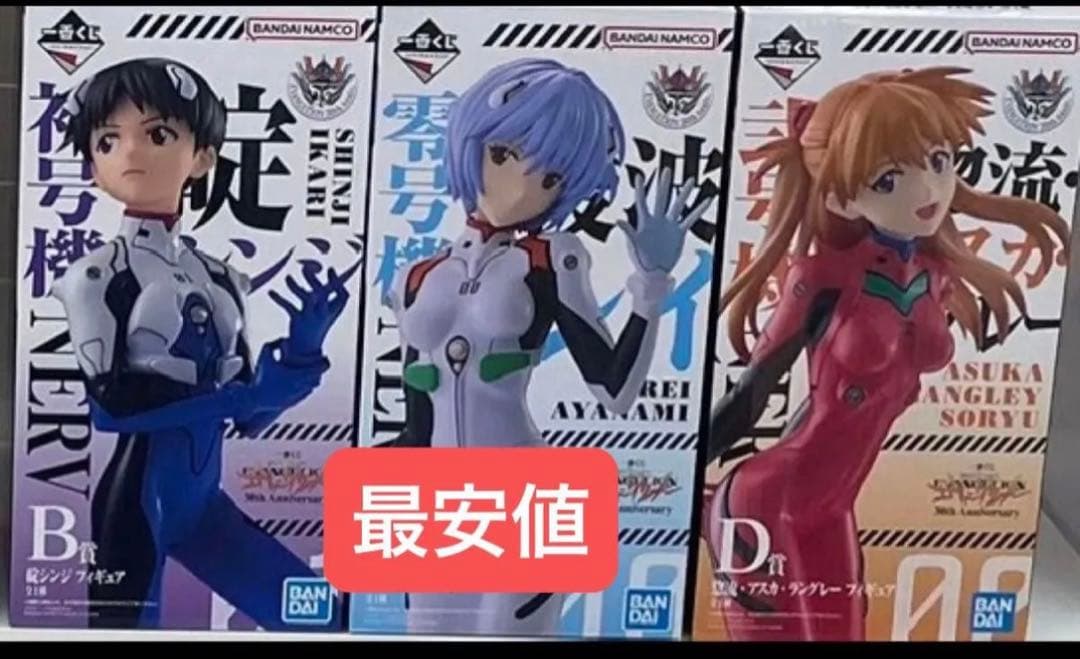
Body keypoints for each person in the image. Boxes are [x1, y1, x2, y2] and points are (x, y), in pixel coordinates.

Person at [701, 66, 1070, 641]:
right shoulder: (818, 277)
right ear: (840, 198)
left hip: (833, 508)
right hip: (765, 502)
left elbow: (850, 401)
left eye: (939, 161)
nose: (928, 191)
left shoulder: (934, 274)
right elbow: (755, 391)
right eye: (889, 178)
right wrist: (678, 468)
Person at [383, 58, 714, 635]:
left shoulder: (551, 259)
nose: (518, 189)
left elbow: (614, 389)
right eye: (503, 155)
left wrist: (652, 284)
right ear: (470, 144)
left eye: (549, 178)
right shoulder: (415, 276)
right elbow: (417, 421)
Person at [52, 57, 350, 630]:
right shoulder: (97, 275)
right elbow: (111, 410)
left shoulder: (221, 278)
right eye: (108, 140)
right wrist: (238, 399)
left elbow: (252, 416)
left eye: (158, 134)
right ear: (93, 168)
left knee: (322, 620)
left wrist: (301, 353)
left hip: (203, 507)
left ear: (203, 157)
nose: (131, 152)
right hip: (135, 508)